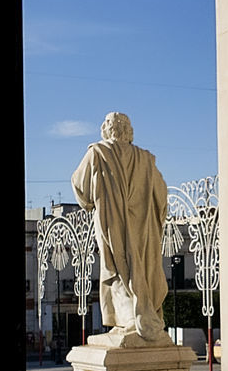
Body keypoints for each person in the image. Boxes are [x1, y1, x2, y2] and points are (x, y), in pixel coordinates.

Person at [71, 112, 171, 345]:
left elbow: (80, 186)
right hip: (143, 230)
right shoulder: (146, 159)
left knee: (116, 269)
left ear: (106, 129)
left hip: (111, 224)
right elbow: (161, 194)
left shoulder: (97, 153)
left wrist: (94, 200)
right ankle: (142, 318)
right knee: (142, 269)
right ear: (129, 131)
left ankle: (128, 321)